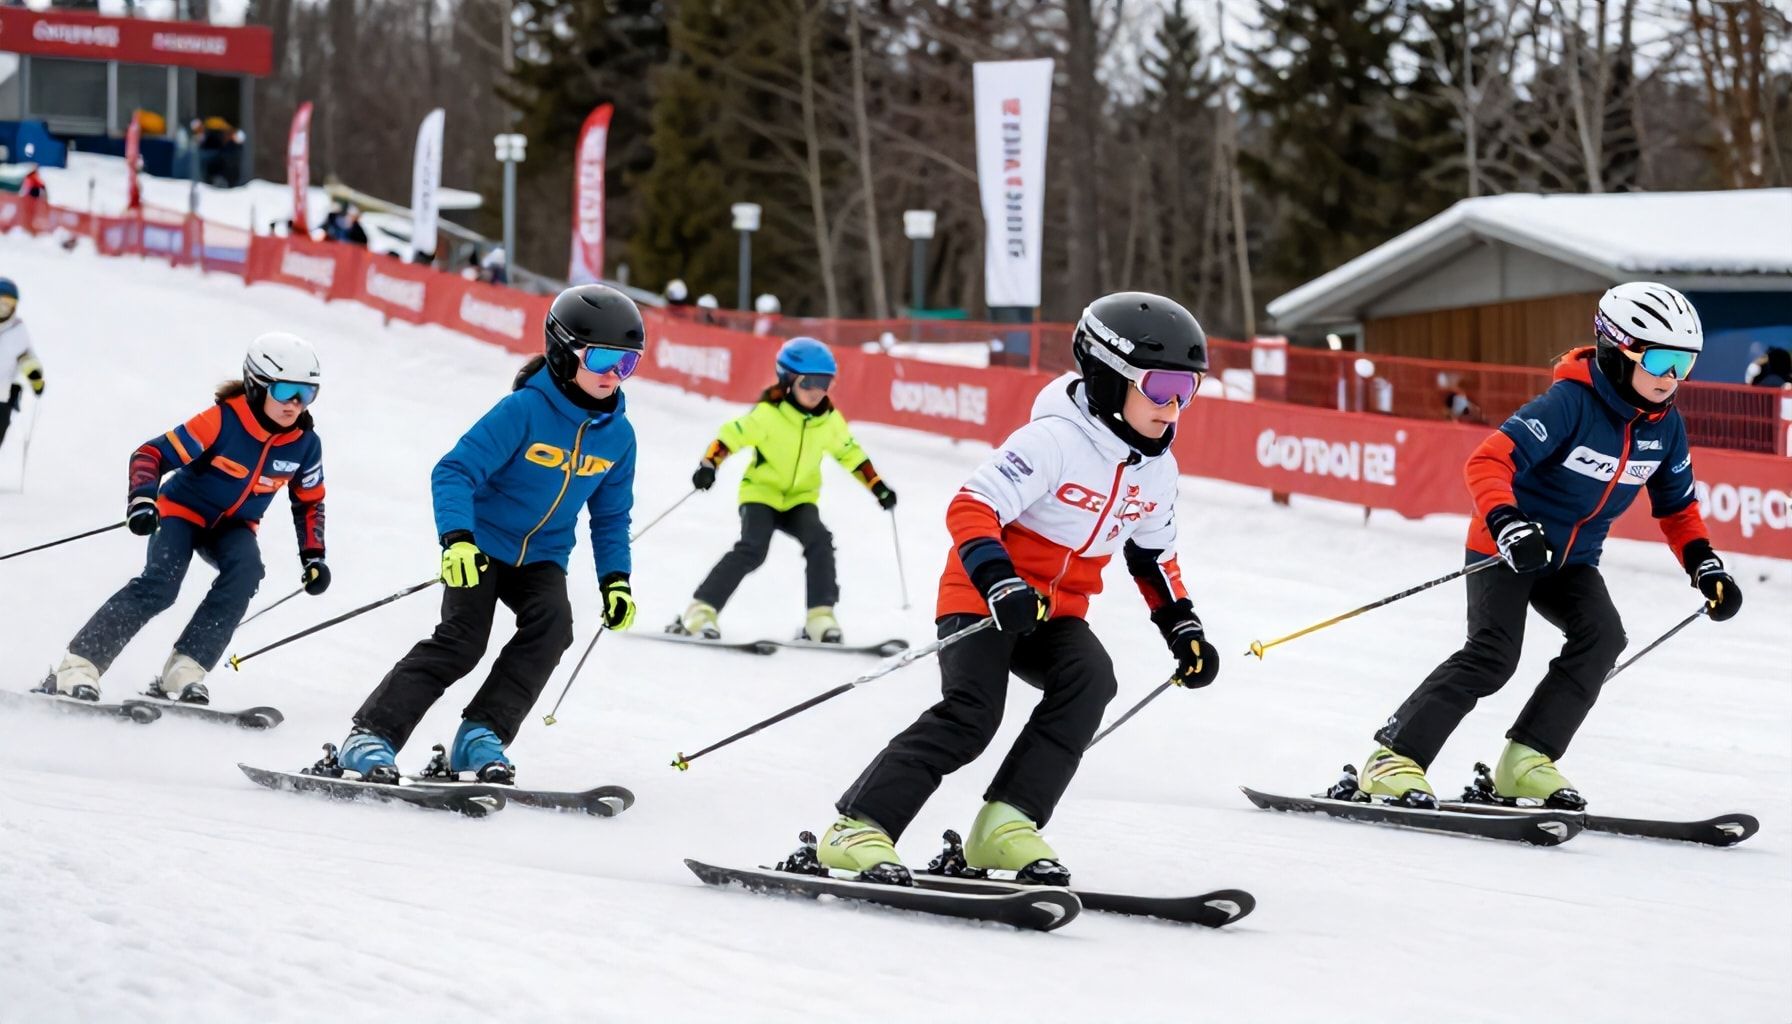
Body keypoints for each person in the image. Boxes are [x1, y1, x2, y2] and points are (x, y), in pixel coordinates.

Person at [816, 292, 1219, 885]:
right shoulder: (1053, 440)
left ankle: (1005, 825)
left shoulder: (1157, 469)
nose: (1175, 406)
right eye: (1161, 388)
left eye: (1189, 390)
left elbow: (1152, 554)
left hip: (1053, 614)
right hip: (982, 598)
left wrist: (1182, 628)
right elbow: (971, 507)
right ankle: (859, 827)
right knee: (972, 715)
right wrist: (999, 580)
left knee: (1090, 679)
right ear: (1111, 378)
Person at [1362, 282, 1744, 810]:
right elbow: (1487, 461)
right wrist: (1509, 524)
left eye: (1685, 363)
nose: (1672, 378)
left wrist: (1706, 567)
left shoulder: (1666, 428)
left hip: (1572, 561)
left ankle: (1525, 762)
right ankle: (1392, 760)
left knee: (1602, 637)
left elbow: (1677, 509)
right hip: (1507, 547)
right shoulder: (1570, 404)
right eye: (1660, 360)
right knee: (1494, 655)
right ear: (1619, 349)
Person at [337, 284, 643, 784]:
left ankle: (480, 736)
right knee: (463, 641)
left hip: (541, 557)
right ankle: (369, 737)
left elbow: (610, 517)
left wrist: (617, 579)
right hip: (479, 546)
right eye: (604, 358)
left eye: (627, 364)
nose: (614, 374)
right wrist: (456, 538)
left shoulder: (619, 437)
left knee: (553, 626)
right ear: (564, 352)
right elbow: (454, 471)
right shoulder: (523, 411)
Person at [38, 334, 328, 705]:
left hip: (234, 527)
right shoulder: (224, 421)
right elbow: (151, 454)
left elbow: (309, 502)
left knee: (246, 572)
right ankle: (78, 667)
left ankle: (184, 670)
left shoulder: (305, 444)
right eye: (286, 390)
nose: (295, 404)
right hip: (181, 512)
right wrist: (142, 499)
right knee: (161, 584)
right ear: (257, 385)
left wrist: (314, 556)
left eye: (307, 393)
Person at [672, 338, 894, 643]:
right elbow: (729, 437)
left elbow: (852, 455)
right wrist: (710, 464)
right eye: (809, 382)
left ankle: (820, 617)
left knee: (819, 541)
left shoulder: (829, 421)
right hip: (761, 495)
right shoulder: (768, 414)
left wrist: (877, 486)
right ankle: (701, 610)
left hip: (800, 499)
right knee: (753, 549)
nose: (817, 391)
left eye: (825, 383)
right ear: (788, 380)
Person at [0, 278, 45, 450]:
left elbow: (27, 358)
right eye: (0, 303)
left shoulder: (17, 329)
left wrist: (35, 377)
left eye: (8, 304)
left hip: (2, 399)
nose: (3, 308)